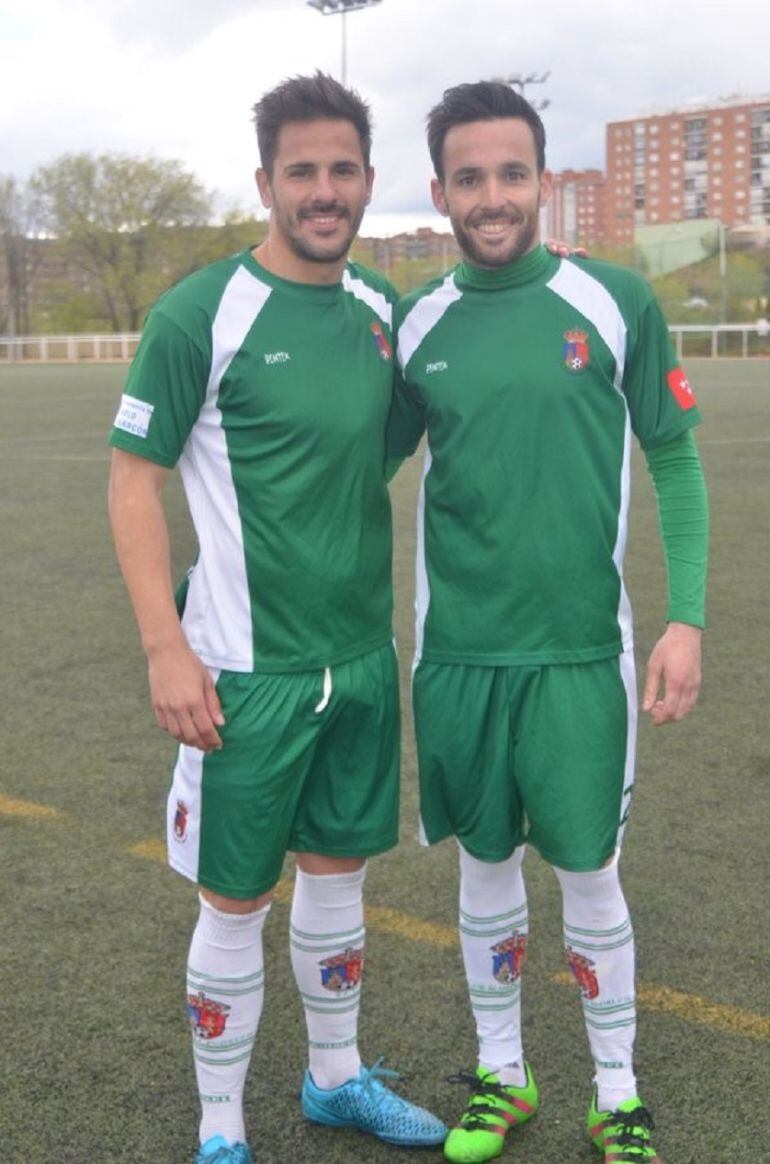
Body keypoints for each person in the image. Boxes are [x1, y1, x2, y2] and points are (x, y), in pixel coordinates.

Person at [107, 72, 447, 1164]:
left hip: (357, 660)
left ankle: (334, 1080)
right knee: (236, 898)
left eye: (342, 169)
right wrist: (166, 649)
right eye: (301, 170)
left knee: (339, 878)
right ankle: (220, 1129)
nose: (323, 190)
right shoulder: (201, 313)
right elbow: (132, 482)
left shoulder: (380, 310)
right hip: (240, 670)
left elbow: (384, 445)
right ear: (265, 183)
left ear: (369, 180)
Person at [386, 81, 708, 1164]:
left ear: (542, 180)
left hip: (579, 653)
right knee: (482, 869)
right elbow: (355, 470)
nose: (492, 196)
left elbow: (673, 459)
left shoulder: (613, 300)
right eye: (469, 177)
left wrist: (686, 620)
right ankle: (502, 1076)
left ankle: (616, 1094)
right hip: (457, 653)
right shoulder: (415, 321)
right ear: (440, 191)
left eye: (511, 173)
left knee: (588, 871)